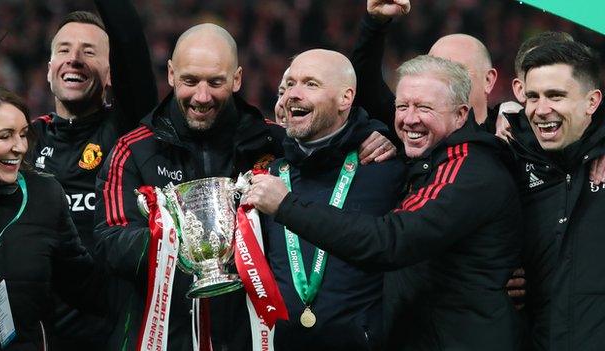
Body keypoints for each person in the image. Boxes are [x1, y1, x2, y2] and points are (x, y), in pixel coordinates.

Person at [248, 55, 523, 350]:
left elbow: (389, 241)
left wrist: (286, 206)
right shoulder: (420, 160)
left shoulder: (469, 168)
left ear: (460, 114)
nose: (409, 119)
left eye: (424, 107)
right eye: (402, 106)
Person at [93, 23, 286, 351]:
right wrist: (179, 240)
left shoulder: (275, 143)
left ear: (237, 79)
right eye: (190, 80)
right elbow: (109, 242)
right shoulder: (133, 151)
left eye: (216, 82)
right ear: (171, 74)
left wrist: (370, 135)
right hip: (165, 339)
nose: (202, 96)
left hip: (253, 337)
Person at [28, 5, 157, 350]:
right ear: (49, 69)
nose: (74, 59)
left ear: (113, 74)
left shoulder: (129, 129)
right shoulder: (24, 140)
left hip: (114, 333)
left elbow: (130, 43)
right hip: (38, 335)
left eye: (89, 52)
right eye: (64, 50)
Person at [261, 49, 407, 350]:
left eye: (310, 84)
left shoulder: (385, 167)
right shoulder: (269, 177)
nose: (293, 94)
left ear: (345, 98)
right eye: (289, 85)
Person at [0, 83, 104, 350]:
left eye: (23, 134)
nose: (19, 147)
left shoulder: (44, 195)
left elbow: (87, 289)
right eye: (5, 136)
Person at [504, 40, 605, 350]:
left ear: (591, 102)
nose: (541, 109)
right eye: (533, 97)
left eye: (556, 96)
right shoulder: (507, 161)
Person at [353, 0, 500, 134]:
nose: (444, 82)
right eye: (435, 73)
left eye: (458, 71)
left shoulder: (508, 139)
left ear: (488, 80)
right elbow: (366, 86)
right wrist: (375, 22)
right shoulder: (412, 128)